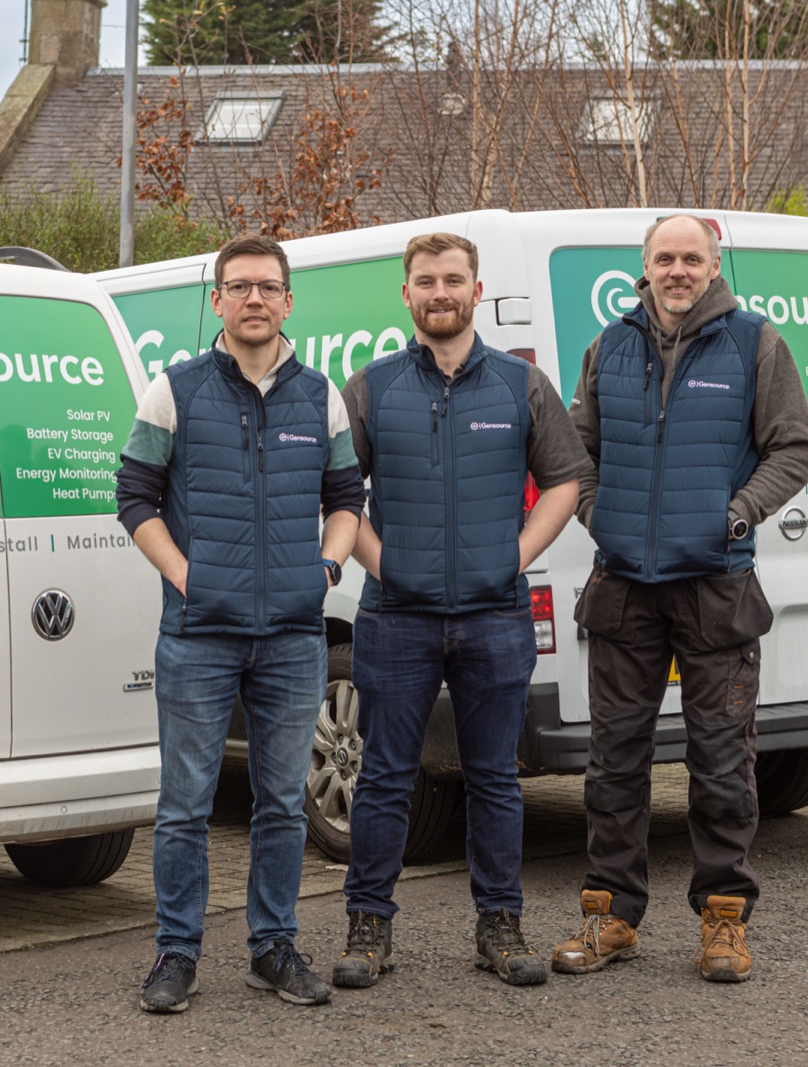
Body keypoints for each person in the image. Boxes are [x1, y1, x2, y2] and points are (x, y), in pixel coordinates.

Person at [551, 214, 808, 983]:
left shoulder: (755, 343)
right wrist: (600, 512)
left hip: (715, 586)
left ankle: (723, 923)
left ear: (712, 264)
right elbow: (576, 449)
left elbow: (793, 445)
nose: (677, 270)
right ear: (645, 265)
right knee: (613, 764)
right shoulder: (611, 344)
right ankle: (611, 917)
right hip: (624, 588)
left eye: (690, 258)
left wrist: (738, 512)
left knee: (724, 764)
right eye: (664, 257)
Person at [332, 232, 591, 990]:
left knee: (493, 778)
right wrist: (383, 564)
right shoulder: (371, 387)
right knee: (383, 776)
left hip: (496, 613)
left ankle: (500, 925)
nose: (439, 292)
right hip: (394, 617)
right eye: (425, 281)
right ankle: (368, 924)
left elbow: (569, 479)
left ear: (475, 290)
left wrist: (515, 556)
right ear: (405, 295)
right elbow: (339, 492)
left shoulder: (520, 385)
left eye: (452, 279)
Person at [116, 234, 365, 1014]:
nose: (253, 298)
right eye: (238, 286)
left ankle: (273, 945)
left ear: (289, 301)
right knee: (186, 804)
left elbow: (348, 497)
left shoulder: (319, 395)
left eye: (267, 286)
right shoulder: (175, 390)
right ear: (217, 300)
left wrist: (326, 569)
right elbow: (134, 497)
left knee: (283, 803)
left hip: (293, 635)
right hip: (198, 635)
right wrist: (187, 574)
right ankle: (176, 952)